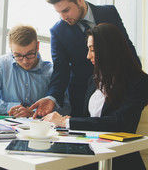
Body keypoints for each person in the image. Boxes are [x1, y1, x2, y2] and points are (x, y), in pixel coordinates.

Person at [43, 23, 148, 170]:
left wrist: (67, 122)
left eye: (92, 49)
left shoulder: (140, 82)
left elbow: (119, 122)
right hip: (89, 152)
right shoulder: (94, 79)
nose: (88, 55)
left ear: (109, 49)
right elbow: (88, 119)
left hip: (118, 158)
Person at [30, 0, 140, 118]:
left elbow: (126, 47)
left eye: (66, 10)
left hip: (119, 90)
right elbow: (61, 70)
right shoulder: (58, 31)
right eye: (59, 13)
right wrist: (52, 97)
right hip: (82, 98)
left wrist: (138, 81)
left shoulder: (109, 13)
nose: (63, 17)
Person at [0, 24, 53, 118]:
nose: (25, 61)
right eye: (18, 55)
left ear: (37, 46)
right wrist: (17, 108)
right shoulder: (1, 65)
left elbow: (65, 107)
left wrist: (33, 113)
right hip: (7, 128)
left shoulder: (51, 71)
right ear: (11, 49)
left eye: (30, 54)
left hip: (39, 129)